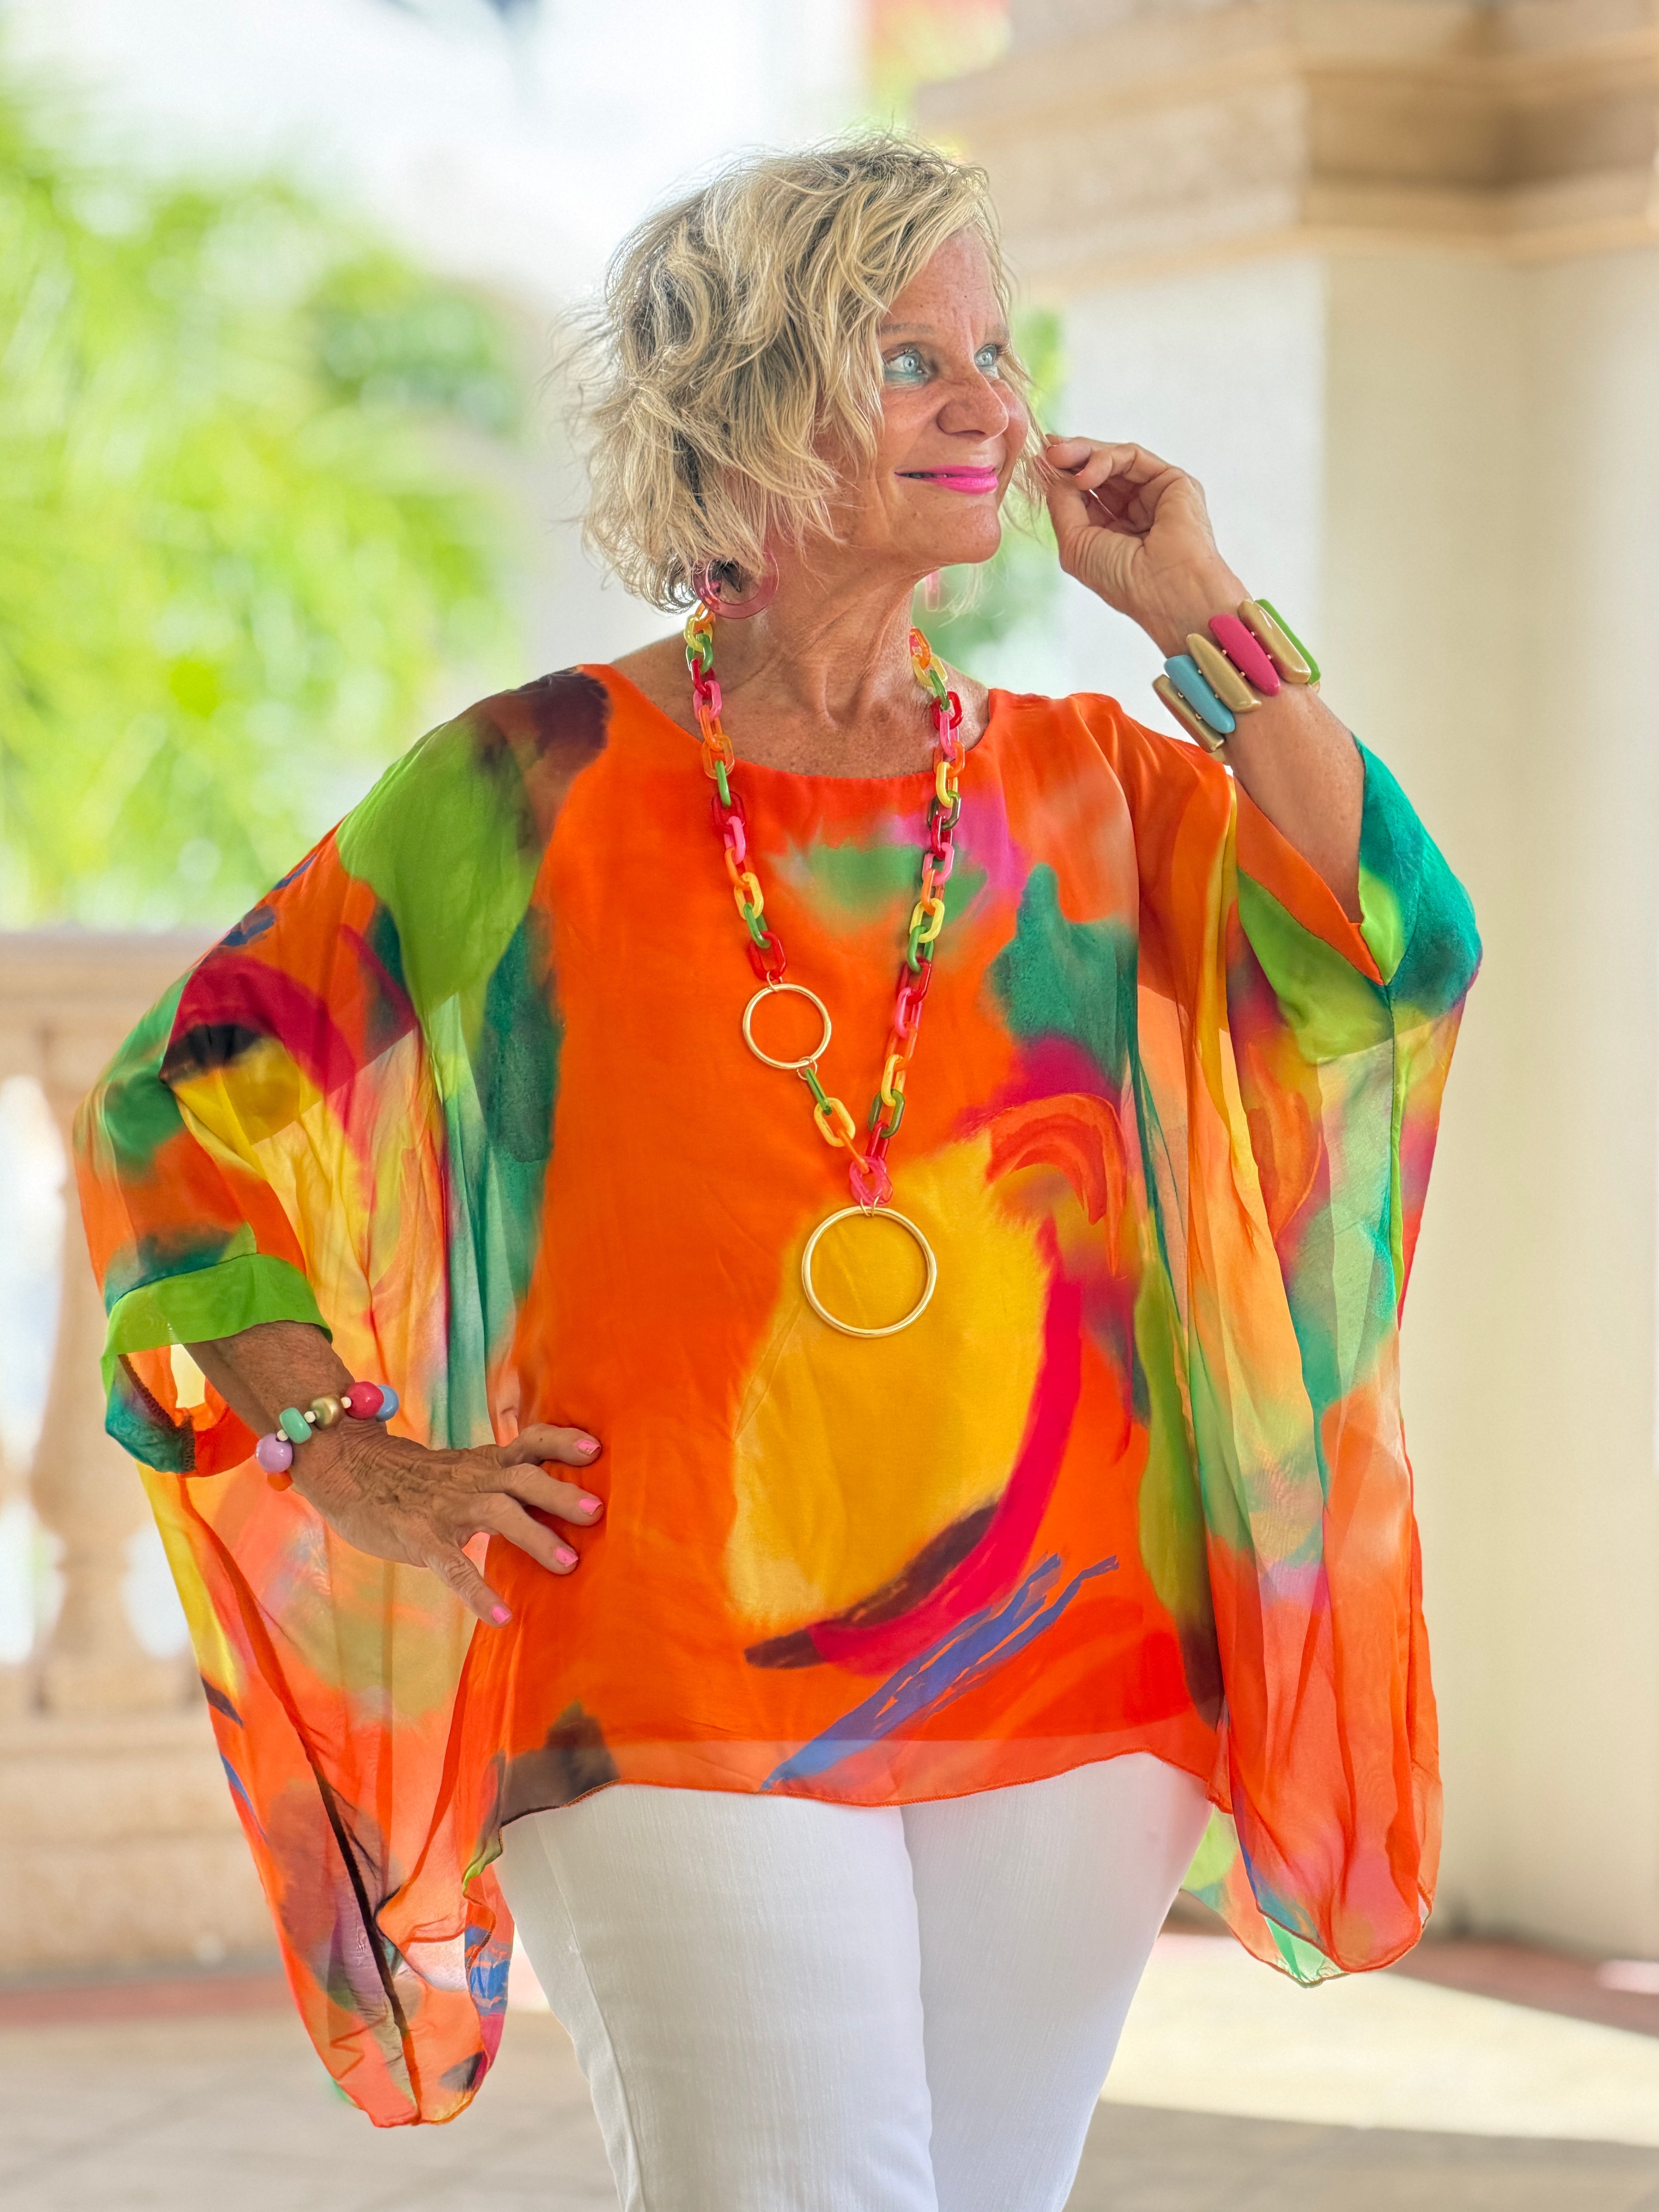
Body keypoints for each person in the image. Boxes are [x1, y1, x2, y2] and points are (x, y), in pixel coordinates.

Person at [74, 136, 1479, 2212]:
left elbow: (1386, 947)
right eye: (909, 359)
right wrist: (346, 1455)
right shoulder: (527, 784)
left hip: (1073, 1659)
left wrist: (1201, 612)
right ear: (743, 403)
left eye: (995, 352)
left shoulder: (1086, 782)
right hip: (659, 1638)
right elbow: (180, 1105)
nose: (989, 403)